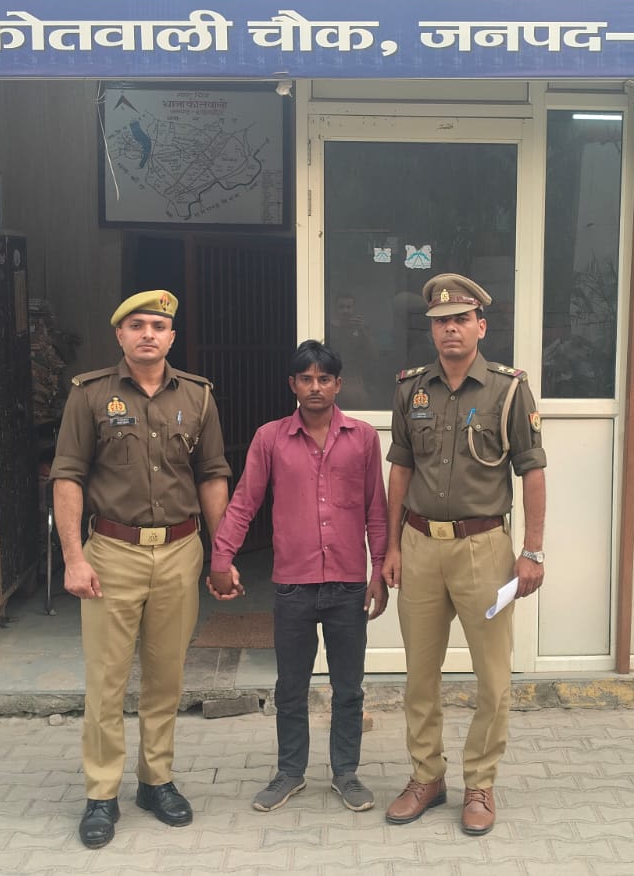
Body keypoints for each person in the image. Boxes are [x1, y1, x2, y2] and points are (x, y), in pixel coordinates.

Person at [50, 289, 231, 850]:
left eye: (158, 325)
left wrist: (221, 552)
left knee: (165, 676)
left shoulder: (198, 396)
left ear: (172, 336)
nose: (148, 334)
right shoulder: (89, 395)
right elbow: (68, 476)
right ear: (120, 335)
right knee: (107, 680)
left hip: (180, 550)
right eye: (137, 325)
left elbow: (212, 474)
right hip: (112, 551)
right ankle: (101, 793)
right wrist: (73, 557)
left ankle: (157, 781)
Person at [381, 273, 547, 837]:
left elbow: (532, 471)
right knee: (419, 676)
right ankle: (426, 778)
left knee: (492, 679)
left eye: (460, 320)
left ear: (481, 326)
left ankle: (480, 783)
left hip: (485, 550)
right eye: (440, 322)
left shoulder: (508, 390)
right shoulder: (410, 389)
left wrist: (533, 551)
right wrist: (390, 546)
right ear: (430, 329)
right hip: (420, 546)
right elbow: (400, 469)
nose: (449, 329)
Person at [208, 340, 389, 814]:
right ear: (292, 384)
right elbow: (245, 502)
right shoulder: (270, 438)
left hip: (348, 584)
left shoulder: (363, 438)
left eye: (324, 379)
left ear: (338, 384)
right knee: (291, 686)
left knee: (348, 687)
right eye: (305, 379)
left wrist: (378, 571)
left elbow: (377, 510)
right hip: (293, 584)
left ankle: (346, 773)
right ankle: (290, 772)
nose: (315, 387)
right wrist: (221, 558)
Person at [327, 294, 380, 410]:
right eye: (341, 307)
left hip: (355, 379)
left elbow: (374, 355)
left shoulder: (360, 329)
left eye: (348, 307)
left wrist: (363, 330)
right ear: (336, 309)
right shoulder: (328, 329)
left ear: (353, 309)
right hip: (332, 378)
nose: (345, 311)